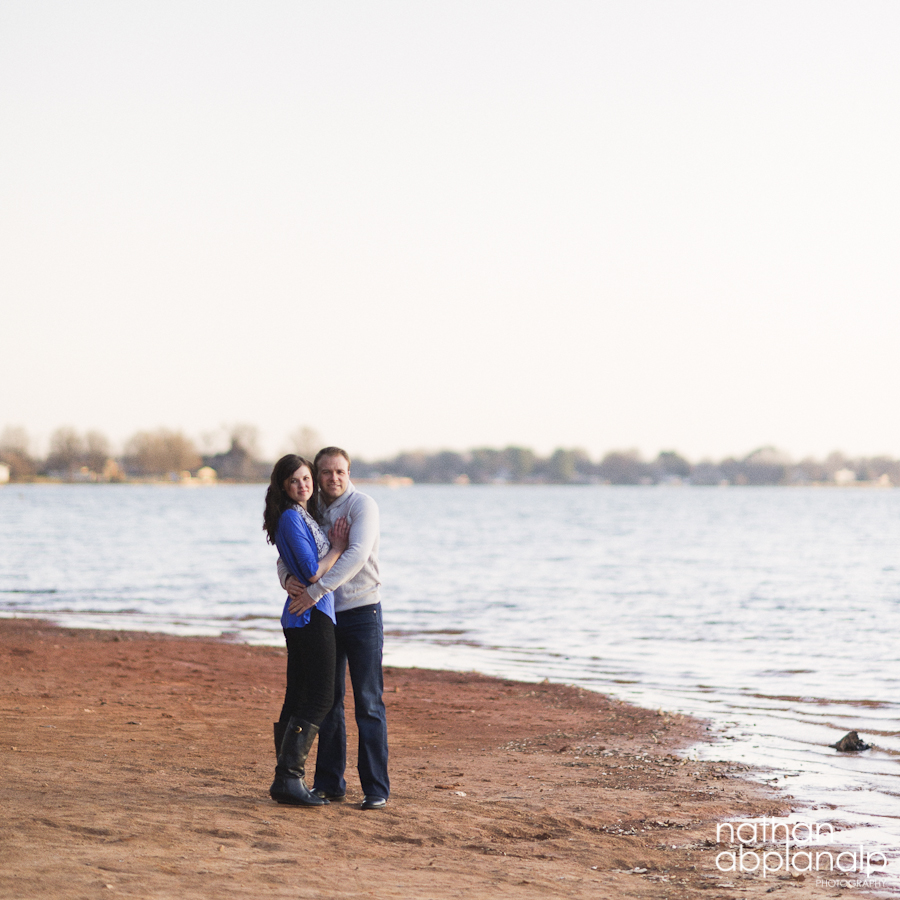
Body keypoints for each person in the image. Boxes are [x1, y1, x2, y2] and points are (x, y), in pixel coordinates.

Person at [277, 446, 389, 810]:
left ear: (349, 472)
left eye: (339, 471)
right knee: (330, 703)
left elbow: (355, 553)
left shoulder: (363, 506)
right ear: (318, 475)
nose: (333, 478)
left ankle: (376, 789)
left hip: (361, 612)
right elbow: (287, 551)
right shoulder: (314, 508)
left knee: (368, 703)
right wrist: (286, 578)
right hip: (326, 616)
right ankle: (329, 783)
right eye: (326, 472)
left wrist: (314, 591)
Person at [263, 454, 349, 807]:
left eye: (305, 478)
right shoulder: (290, 517)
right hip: (309, 616)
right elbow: (313, 572)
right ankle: (290, 777)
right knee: (321, 696)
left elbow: (291, 563)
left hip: (305, 615)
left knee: (298, 696)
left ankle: (285, 780)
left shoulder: (301, 516)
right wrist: (340, 548)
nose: (303, 484)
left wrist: (284, 576)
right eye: (295, 480)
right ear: (284, 486)